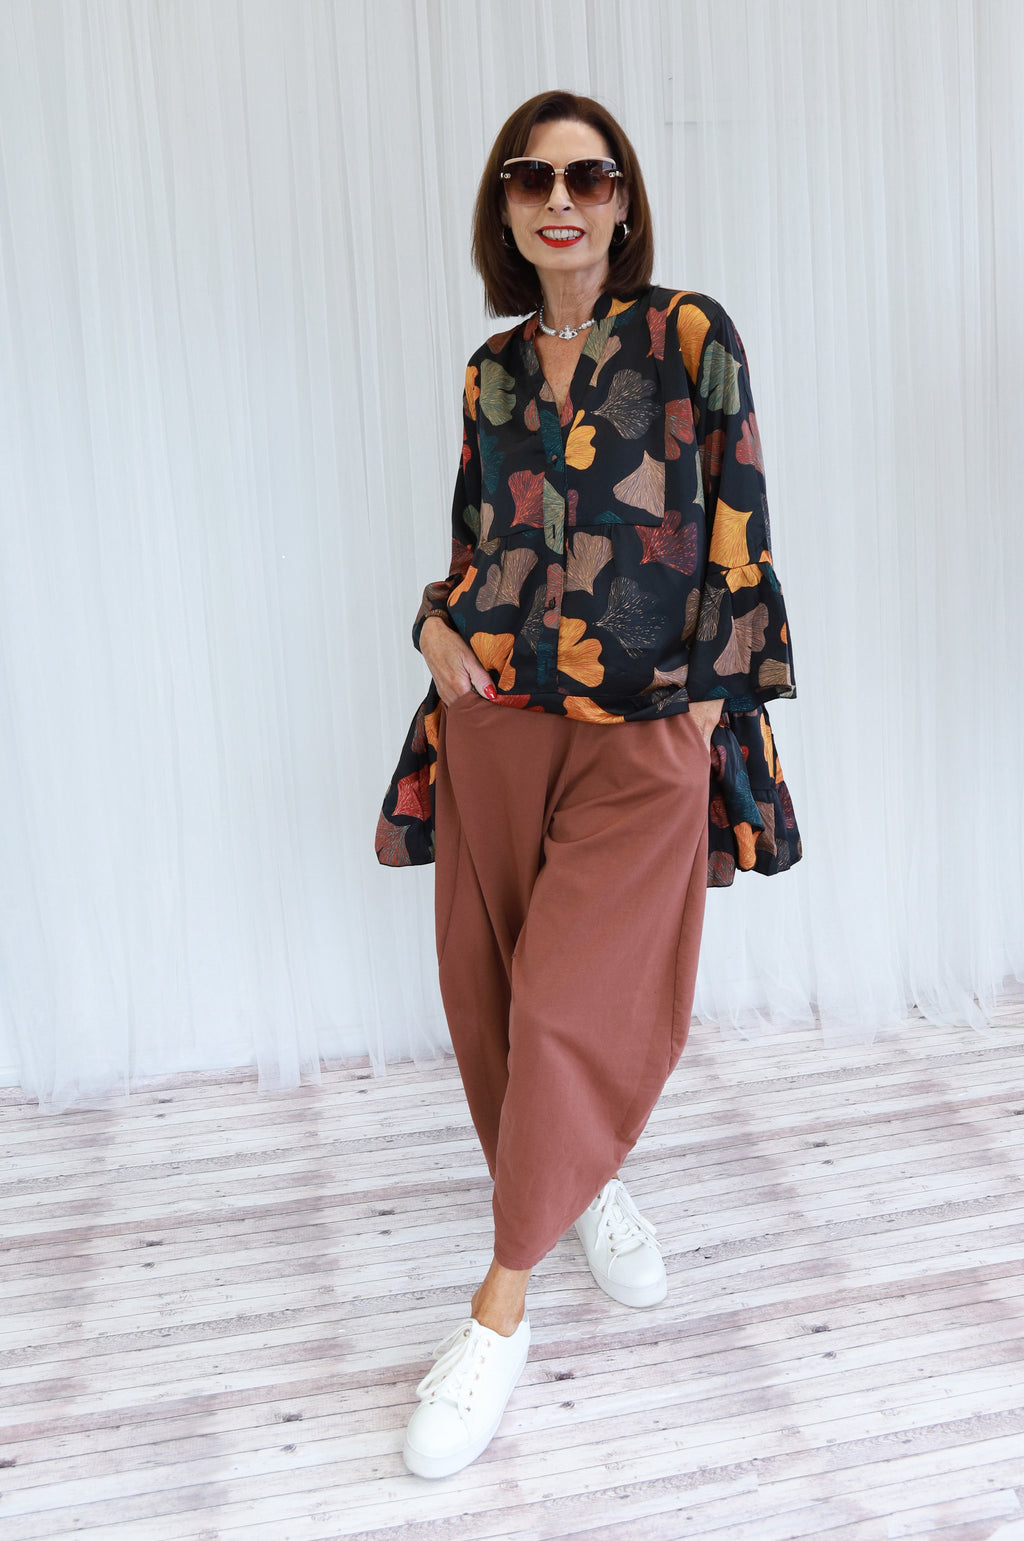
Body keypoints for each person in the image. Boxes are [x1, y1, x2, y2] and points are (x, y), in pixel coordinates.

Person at [376, 89, 800, 1479]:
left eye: (589, 176)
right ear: (503, 209)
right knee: (498, 999)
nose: (560, 199)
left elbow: (738, 524)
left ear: (623, 202)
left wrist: (711, 716)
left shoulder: (689, 337)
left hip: (645, 725)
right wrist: (431, 632)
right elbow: (476, 543)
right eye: (531, 178)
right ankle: (588, 1186)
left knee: (572, 997)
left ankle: (499, 1310)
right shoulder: (489, 374)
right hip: (497, 718)